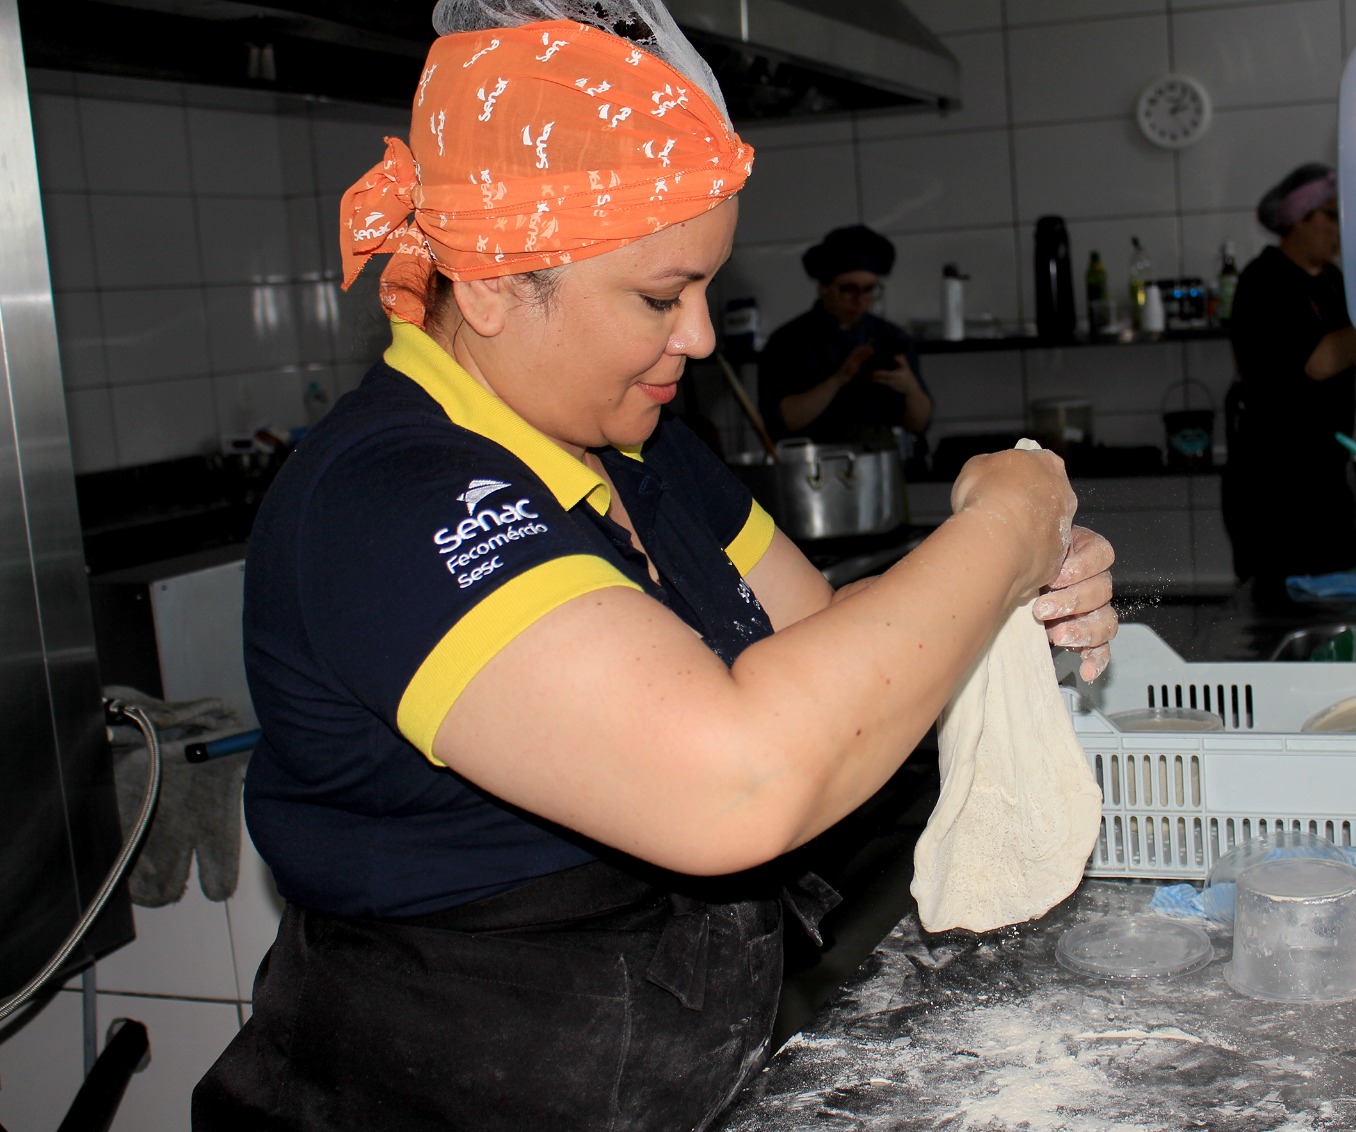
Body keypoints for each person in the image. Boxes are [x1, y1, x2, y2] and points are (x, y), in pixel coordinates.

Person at [192, 2, 1117, 1129]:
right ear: (489, 281)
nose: (699, 338)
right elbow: (733, 784)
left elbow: (830, 643)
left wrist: (1008, 588)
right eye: (657, 296)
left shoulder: (639, 446)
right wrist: (1002, 532)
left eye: (703, 291)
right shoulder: (390, 501)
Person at [1223, 163, 1356, 600]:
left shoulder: (1332, 281)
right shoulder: (1264, 282)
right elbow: (1320, 361)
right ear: (1298, 219)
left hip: (1326, 479)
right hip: (1274, 487)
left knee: (1336, 599)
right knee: (1283, 605)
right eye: (1330, 217)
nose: (1339, 231)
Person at [758, 224, 933, 455]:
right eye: (849, 290)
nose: (859, 300)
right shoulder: (788, 342)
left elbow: (919, 423)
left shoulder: (891, 337)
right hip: (816, 463)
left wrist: (910, 388)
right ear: (824, 287)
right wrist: (839, 379)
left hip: (883, 460)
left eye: (869, 290)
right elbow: (783, 421)